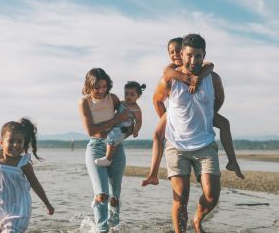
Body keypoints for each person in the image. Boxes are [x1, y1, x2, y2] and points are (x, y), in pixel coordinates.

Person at [145, 34, 225, 233]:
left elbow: (219, 99)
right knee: (180, 197)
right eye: (189, 55)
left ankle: (197, 220)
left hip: (204, 142)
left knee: (212, 195)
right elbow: (156, 100)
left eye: (198, 56)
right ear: (182, 54)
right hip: (176, 145)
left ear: (203, 55)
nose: (193, 60)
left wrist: (206, 114)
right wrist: (168, 118)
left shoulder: (211, 77)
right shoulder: (169, 79)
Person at [142, 37, 243, 188]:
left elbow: (210, 66)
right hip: (175, 113)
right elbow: (164, 79)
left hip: (200, 113)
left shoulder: (204, 69)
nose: (175, 55)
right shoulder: (170, 70)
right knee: (157, 134)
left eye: (177, 51)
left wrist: (208, 113)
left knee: (224, 123)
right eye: (172, 52)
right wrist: (186, 79)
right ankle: (153, 173)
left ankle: (232, 160)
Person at [78, 68, 133, 233]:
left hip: (116, 147)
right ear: (89, 86)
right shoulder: (84, 102)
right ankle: (101, 229)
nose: (101, 90)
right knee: (102, 194)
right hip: (95, 147)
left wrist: (130, 129)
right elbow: (91, 130)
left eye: (104, 86)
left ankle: (114, 227)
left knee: (114, 196)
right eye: (97, 87)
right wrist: (115, 120)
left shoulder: (113, 98)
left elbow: (129, 114)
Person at [0, 118, 54, 233]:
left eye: (19, 141)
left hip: (18, 209)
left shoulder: (24, 163)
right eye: (11, 141)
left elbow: (35, 184)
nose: (15, 145)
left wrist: (47, 204)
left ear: (24, 144)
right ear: (1, 142)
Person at [95, 81, 146, 167]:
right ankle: (107, 153)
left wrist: (136, 130)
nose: (128, 96)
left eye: (132, 95)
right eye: (126, 94)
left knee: (113, 136)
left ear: (138, 96)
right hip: (116, 124)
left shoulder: (136, 109)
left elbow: (138, 121)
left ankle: (108, 159)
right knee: (110, 137)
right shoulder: (122, 103)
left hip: (123, 127)